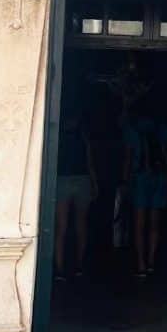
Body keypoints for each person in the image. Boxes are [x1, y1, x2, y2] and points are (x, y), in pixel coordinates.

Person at [123, 101, 167, 279]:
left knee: (139, 225)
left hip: (140, 178)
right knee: (154, 224)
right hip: (159, 178)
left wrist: (124, 181)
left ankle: (141, 264)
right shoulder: (162, 127)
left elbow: (128, 158)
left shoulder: (133, 128)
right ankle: (151, 262)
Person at [55, 107, 98, 281]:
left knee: (62, 227)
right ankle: (79, 264)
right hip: (81, 180)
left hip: (63, 180)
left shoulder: (56, 136)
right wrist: (95, 184)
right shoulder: (83, 136)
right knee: (80, 225)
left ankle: (60, 268)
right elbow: (90, 163)